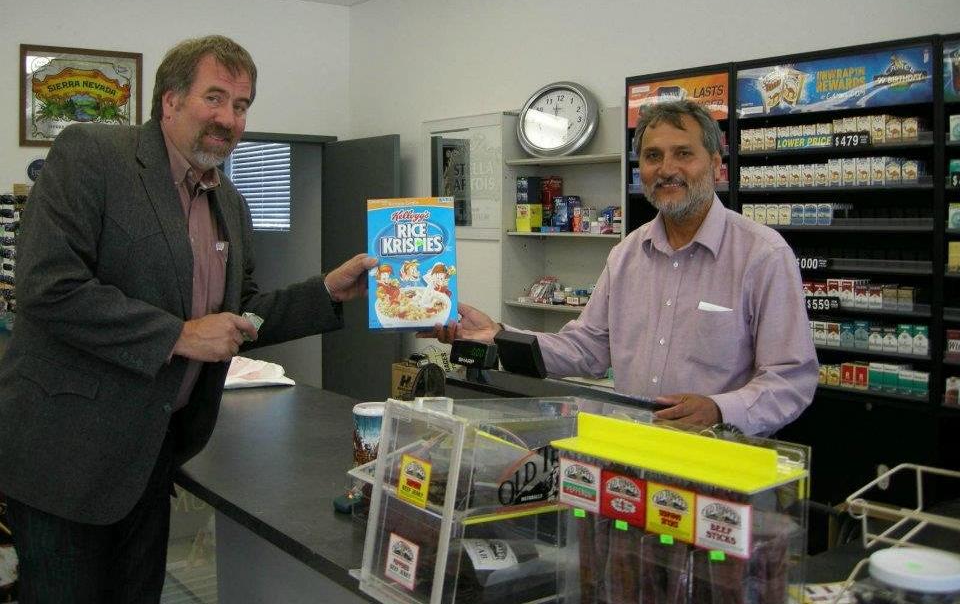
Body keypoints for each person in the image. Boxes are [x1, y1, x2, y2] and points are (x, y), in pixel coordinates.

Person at [0, 35, 377, 602]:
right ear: (170, 101)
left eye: (243, 105)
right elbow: (47, 289)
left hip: (151, 459)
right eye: (215, 98)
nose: (230, 119)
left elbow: (238, 319)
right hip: (66, 461)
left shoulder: (230, 201)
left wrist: (326, 290)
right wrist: (176, 334)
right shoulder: (91, 156)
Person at [423, 99, 817, 437]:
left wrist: (719, 409)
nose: (666, 168)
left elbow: (791, 380)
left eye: (684, 153)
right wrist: (499, 335)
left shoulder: (762, 255)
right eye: (652, 156)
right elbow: (586, 349)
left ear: (716, 165)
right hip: (632, 453)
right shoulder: (627, 254)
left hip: (719, 463)